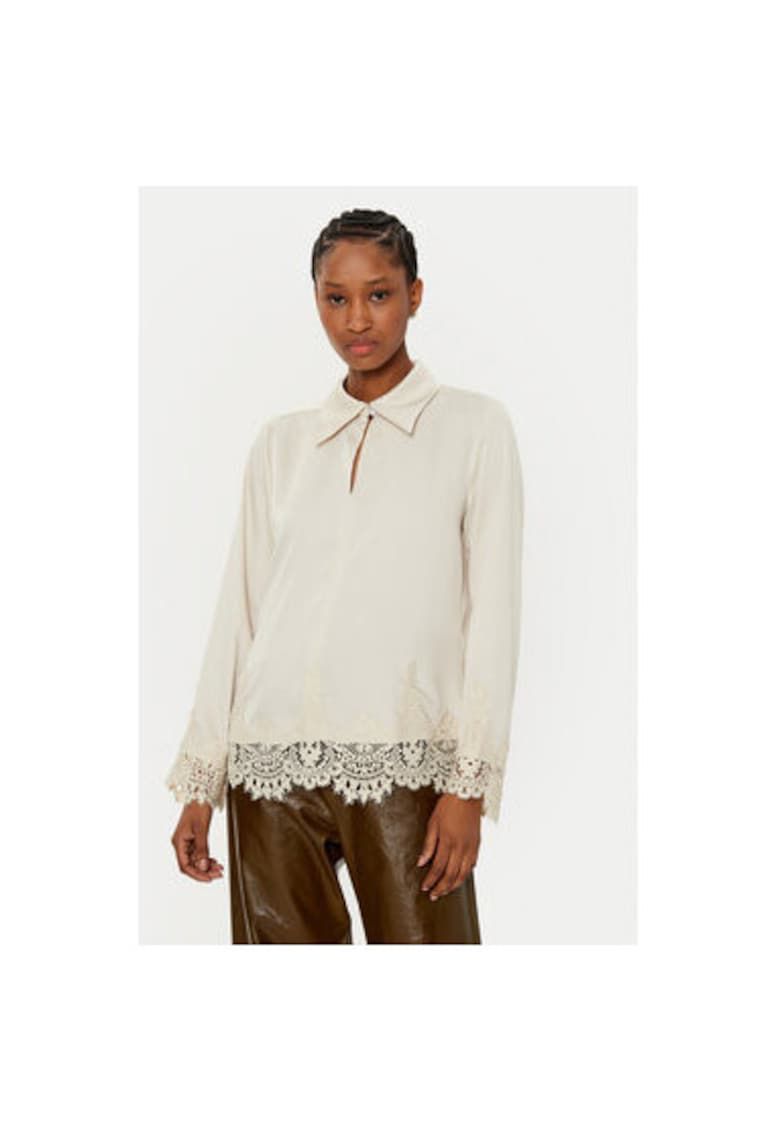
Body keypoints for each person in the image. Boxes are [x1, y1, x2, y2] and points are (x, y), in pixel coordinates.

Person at [165, 207, 524, 943]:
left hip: (404, 759)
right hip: (269, 766)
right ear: (317, 301)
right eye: (336, 298)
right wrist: (203, 779)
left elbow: (494, 614)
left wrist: (469, 785)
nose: (357, 319)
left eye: (379, 294)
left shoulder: (474, 429)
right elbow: (239, 612)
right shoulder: (281, 444)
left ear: (414, 295)